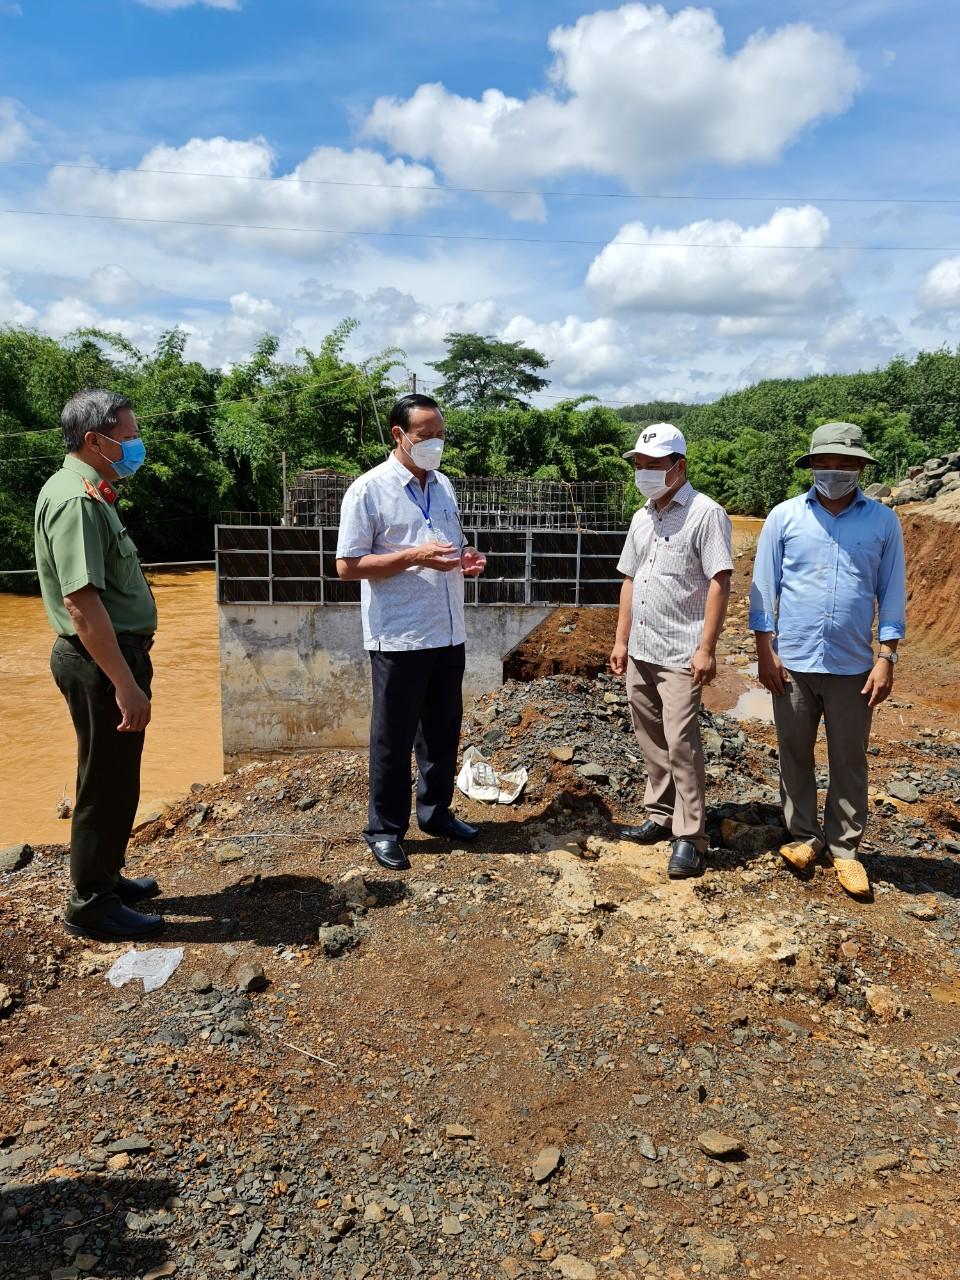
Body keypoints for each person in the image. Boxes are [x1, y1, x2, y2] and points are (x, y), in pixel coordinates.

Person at [749, 422, 907, 899]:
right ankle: (802, 837)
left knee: (849, 757)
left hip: (854, 666)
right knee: (794, 753)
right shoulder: (784, 517)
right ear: (812, 465)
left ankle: (845, 850)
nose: (834, 471)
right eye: (826, 462)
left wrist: (887, 657)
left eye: (845, 463)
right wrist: (764, 651)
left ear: (860, 467)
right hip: (792, 663)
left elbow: (892, 592)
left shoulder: (883, 522)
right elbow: (763, 588)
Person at [336, 393, 487, 872]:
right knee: (393, 739)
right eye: (425, 437)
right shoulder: (368, 491)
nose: (435, 444)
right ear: (399, 436)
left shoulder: (443, 486)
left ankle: (436, 813)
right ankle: (384, 830)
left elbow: (451, 545)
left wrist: (467, 559)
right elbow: (347, 565)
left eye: (441, 435)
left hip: (447, 631)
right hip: (399, 637)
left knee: (442, 733)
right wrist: (411, 557)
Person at [34, 389, 163, 941]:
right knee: (103, 783)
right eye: (129, 437)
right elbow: (81, 604)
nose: (135, 445)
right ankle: (90, 904)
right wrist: (125, 684)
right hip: (99, 661)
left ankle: (106, 878)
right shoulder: (76, 501)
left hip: (110, 658)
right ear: (96, 440)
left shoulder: (90, 492)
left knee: (118, 778)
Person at [610, 423, 733, 878]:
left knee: (682, 742)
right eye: (639, 465)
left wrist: (707, 648)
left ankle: (691, 837)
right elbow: (629, 580)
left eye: (652, 465)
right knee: (651, 737)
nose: (642, 472)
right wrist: (621, 641)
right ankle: (660, 814)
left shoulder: (706, 514)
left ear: (678, 467)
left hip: (682, 650)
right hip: (642, 647)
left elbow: (720, 581)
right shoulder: (642, 516)